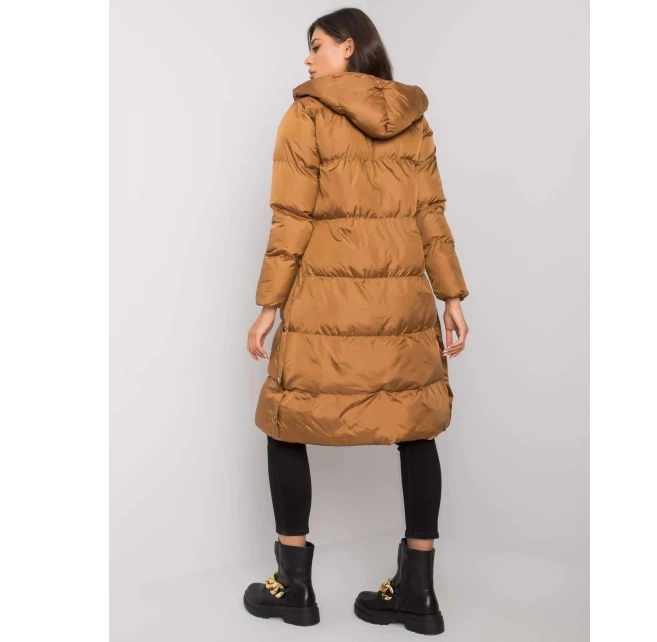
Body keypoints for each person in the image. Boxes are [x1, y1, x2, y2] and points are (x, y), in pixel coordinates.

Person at [243, 7, 468, 635]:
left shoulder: (306, 115)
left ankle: (293, 586)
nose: (307, 59)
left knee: (286, 419)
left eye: (316, 45)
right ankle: (419, 593)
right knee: (414, 426)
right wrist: (451, 296)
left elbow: (291, 219)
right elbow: (431, 214)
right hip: (403, 306)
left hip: (325, 307)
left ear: (348, 47)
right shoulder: (413, 119)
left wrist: (268, 307)